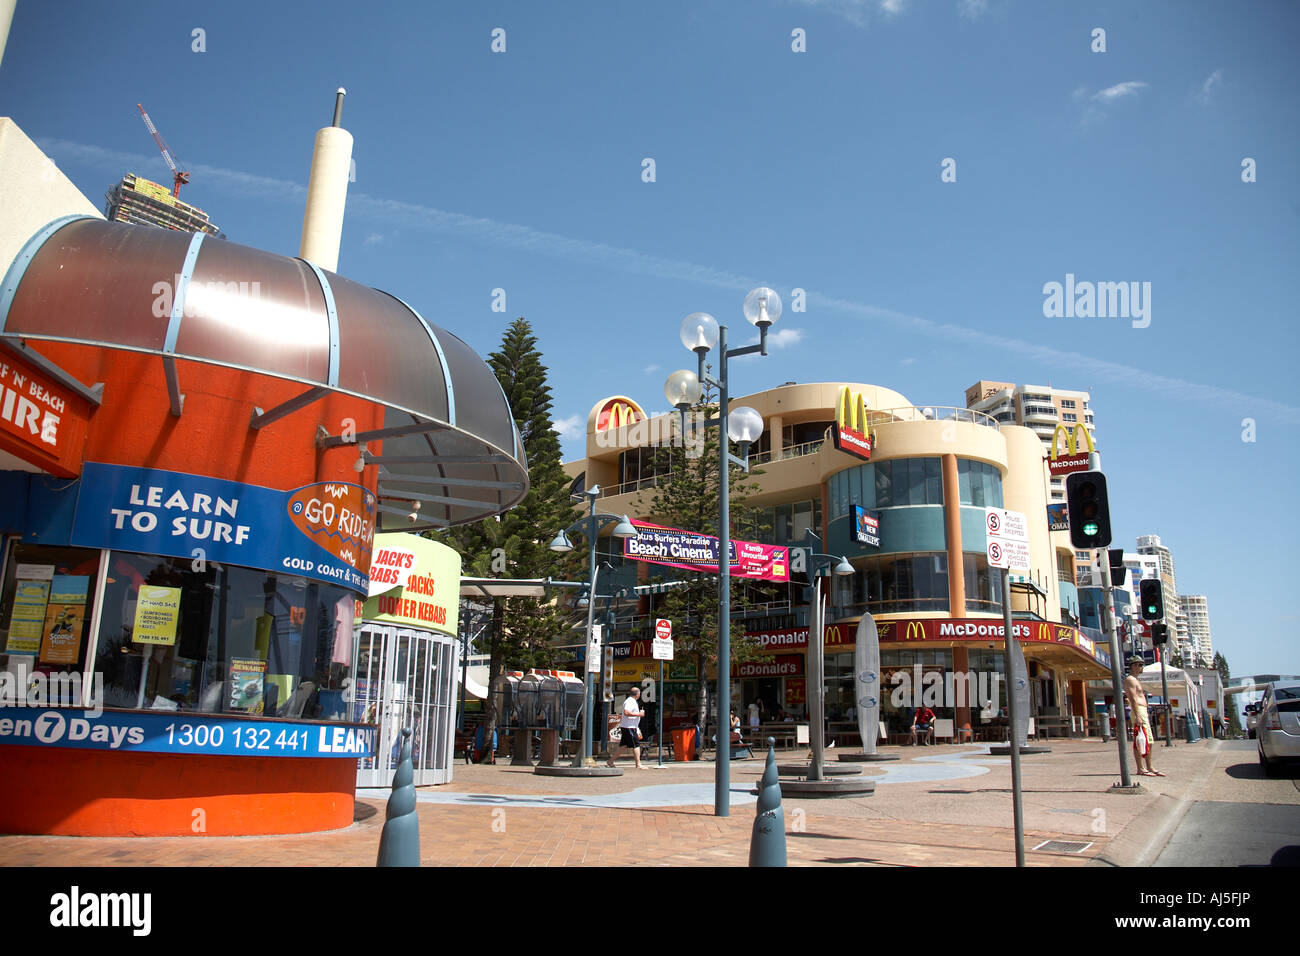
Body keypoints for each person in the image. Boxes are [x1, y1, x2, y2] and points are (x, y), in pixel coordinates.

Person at [1124, 657, 1164, 777]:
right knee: (1140, 739)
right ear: (1133, 666)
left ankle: (1149, 766)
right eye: (1140, 664)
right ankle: (1141, 768)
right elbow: (1133, 698)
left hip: (1142, 710)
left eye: (1142, 664)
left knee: (1148, 740)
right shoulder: (1130, 680)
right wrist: (1137, 715)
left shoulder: (1135, 680)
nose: (1142, 667)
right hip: (1139, 710)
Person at [608, 686, 646, 769]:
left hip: (628, 726)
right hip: (629, 727)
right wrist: (639, 714)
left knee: (623, 745)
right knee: (636, 745)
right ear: (638, 694)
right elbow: (626, 712)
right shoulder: (630, 702)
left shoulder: (631, 701)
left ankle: (610, 761)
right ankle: (638, 764)